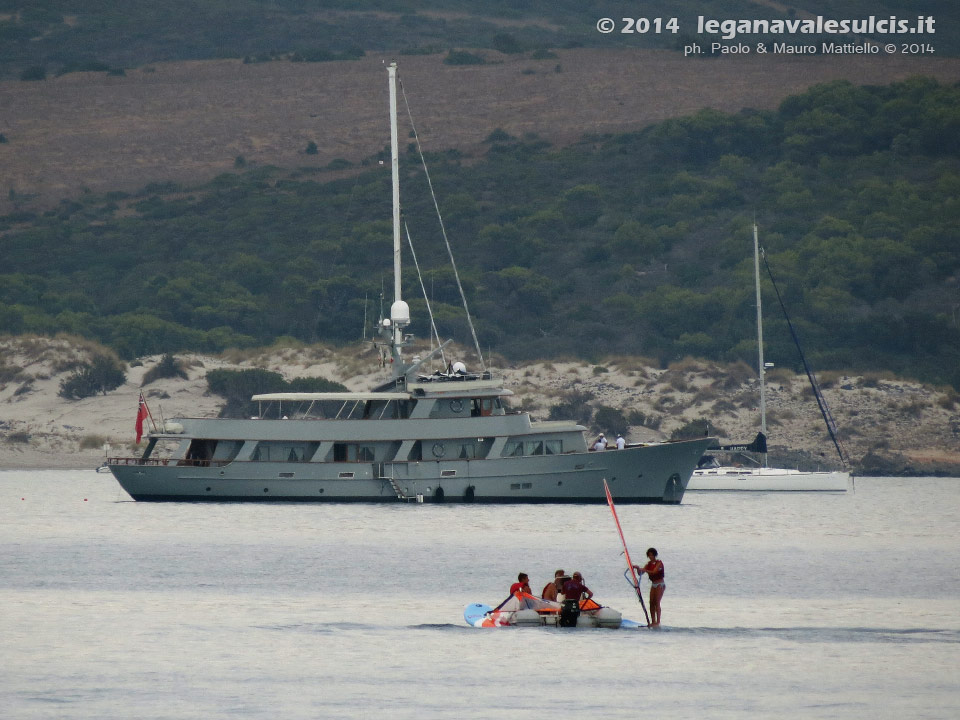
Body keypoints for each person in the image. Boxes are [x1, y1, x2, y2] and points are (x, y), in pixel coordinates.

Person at [633, 548, 665, 627]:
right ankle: (653, 621)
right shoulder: (648, 564)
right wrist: (638, 568)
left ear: (654, 555)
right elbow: (640, 573)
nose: (650, 557)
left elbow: (654, 571)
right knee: (651, 602)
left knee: (657, 602)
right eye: (649, 555)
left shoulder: (659, 563)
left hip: (660, 584)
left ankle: (658, 622)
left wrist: (644, 569)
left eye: (651, 555)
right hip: (653, 584)